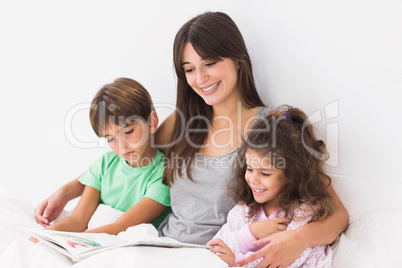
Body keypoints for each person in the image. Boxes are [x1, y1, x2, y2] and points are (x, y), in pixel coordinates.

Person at [35, 12, 348, 267]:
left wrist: (299, 239)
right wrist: (69, 189)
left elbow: (336, 213)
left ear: (237, 59)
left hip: (217, 255)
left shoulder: (271, 129)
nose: (201, 79)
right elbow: (130, 153)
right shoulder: (181, 123)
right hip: (162, 246)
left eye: (210, 63)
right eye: (190, 69)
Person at [35, 78, 171, 236]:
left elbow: (121, 227)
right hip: (94, 238)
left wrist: (78, 240)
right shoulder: (105, 164)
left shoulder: (163, 175)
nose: (121, 145)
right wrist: (46, 235)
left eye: (128, 132)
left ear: (152, 122)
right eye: (111, 139)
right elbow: (78, 220)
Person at [207, 106, 335, 267]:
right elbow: (214, 248)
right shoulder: (244, 211)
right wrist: (249, 234)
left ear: (290, 175)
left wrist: (237, 262)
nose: (253, 179)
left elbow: (282, 260)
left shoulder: (302, 213)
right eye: (249, 169)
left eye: (264, 173)